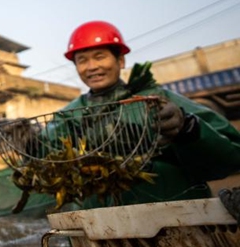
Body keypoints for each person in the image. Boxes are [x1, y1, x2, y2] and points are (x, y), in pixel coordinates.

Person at [61, 20, 240, 208]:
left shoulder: (157, 98)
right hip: (97, 227)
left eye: (100, 57)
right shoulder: (68, 116)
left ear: (120, 60)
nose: (92, 66)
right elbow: (46, 152)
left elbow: (232, 155)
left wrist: (188, 129)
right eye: (82, 60)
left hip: (176, 217)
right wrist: (30, 142)